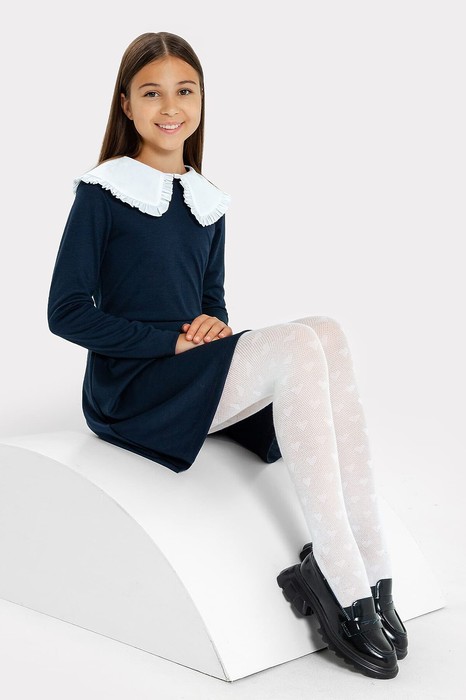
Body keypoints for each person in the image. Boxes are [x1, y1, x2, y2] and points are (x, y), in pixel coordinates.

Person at [47, 31, 407, 679]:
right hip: (132, 391)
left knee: (325, 330)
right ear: (126, 104)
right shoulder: (101, 193)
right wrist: (168, 341)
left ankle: (371, 567)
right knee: (296, 342)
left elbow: (211, 305)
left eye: (185, 91)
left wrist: (211, 325)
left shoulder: (207, 199)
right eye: (151, 93)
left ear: (202, 100)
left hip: (187, 374)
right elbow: (66, 312)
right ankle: (338, 572)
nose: (170, 107)